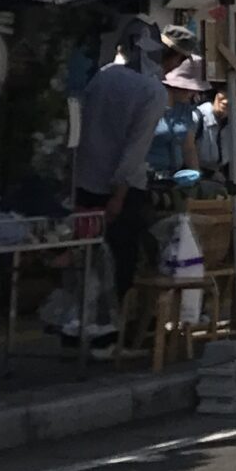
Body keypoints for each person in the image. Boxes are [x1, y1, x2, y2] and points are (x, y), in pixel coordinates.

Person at [72, 21, 169, 324]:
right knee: (121, 260)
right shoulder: (152, 91)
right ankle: (115, 327)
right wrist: (119, 194)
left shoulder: (102, 77)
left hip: (86, 180)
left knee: (87, 259)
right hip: (121, 191)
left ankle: (82, 323)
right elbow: (135, 149)